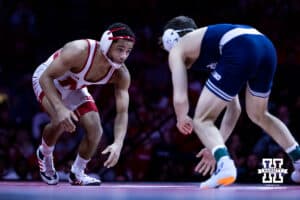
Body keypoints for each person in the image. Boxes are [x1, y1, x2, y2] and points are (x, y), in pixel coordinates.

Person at [161, 15, 300, 188]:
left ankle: (225, 166)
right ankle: (299, 162)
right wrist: (217, 147)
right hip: (266, 47)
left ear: (171, 39)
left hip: (240, 46)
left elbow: (180, 98)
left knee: (201, 119)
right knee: (259, 114)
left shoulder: (178, 49)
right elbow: (235, 109)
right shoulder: (211, 48)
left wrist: (181, 117)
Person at [32, 22, 135, 185]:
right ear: (107, 42)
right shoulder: (79, 50)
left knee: (96, 130)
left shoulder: (121, 74)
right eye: (120, 49)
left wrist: (118, 142)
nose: (123, 56)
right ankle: (44, 154)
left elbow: (122, 112)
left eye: (128, 51)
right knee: (60, 121)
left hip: (75, 87)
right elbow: (46, 77)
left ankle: (77, 172)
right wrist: (60, 108)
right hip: (48, 78)